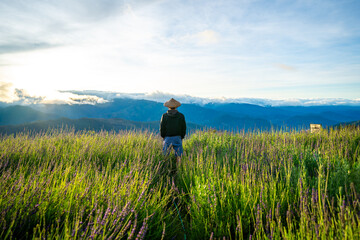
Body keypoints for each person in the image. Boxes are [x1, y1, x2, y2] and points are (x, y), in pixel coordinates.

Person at [160, 98, 186, 164]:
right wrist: (182, 136)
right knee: (179, 156)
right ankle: (178, 169)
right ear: (176, 107)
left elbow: (162, 128)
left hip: (167, 137)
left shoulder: (164, 116)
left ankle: (166, 168)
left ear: (168, 107)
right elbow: (183, 128)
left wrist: (163, 136)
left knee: (165, 156)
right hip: (178, 137)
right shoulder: (181, 116)